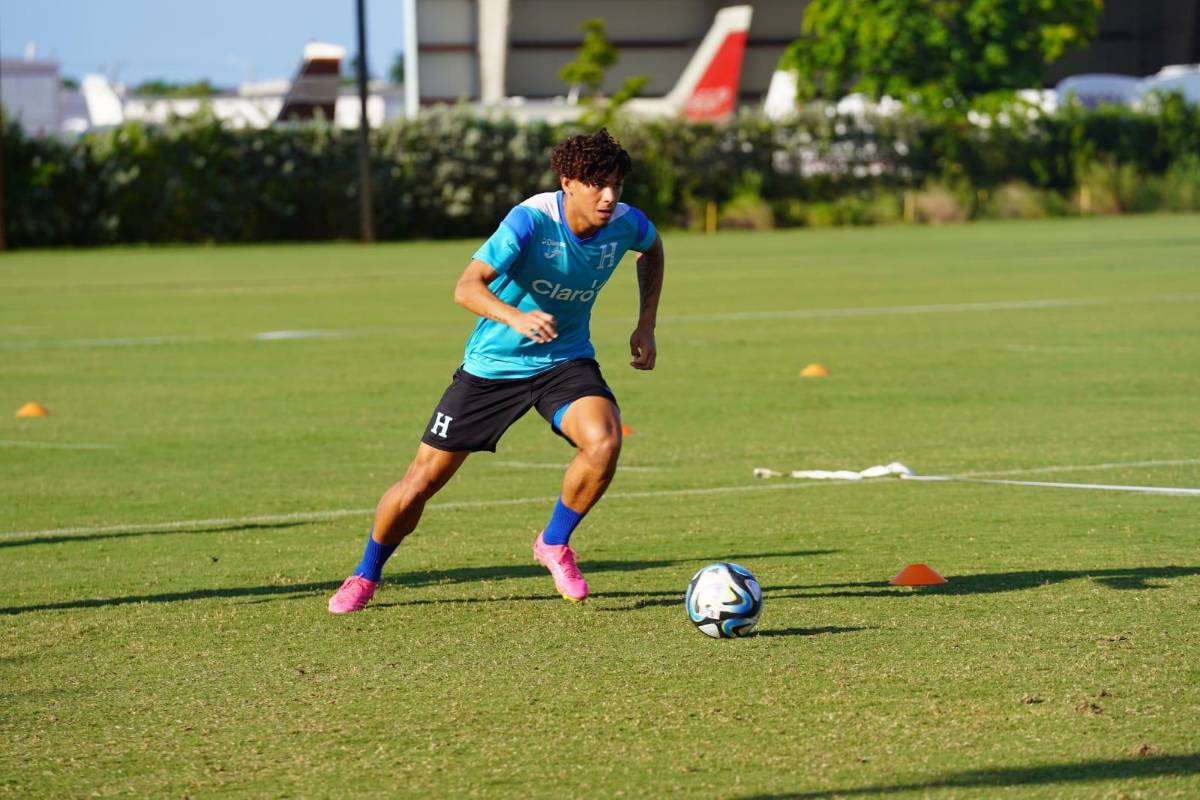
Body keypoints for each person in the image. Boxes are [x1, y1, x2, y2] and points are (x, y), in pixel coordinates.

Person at [329, 128, 665, 613]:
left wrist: (646, 324)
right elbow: (466, 288)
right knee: (419, 484)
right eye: (597, 185)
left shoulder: (626, 223)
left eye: (616, 185)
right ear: (568, 182)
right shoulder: (530, 221)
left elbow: (652, 250)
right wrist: (515, 316)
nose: (609, 196)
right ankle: (365, 573)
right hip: (493, 368)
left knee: (605, 441)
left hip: (564, 359)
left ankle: (553, 543)